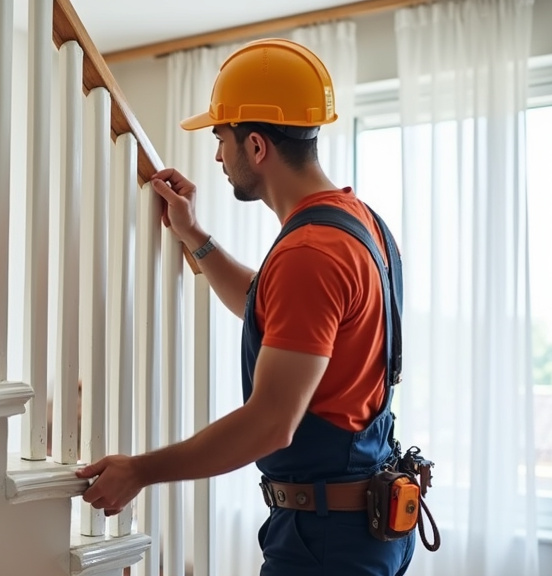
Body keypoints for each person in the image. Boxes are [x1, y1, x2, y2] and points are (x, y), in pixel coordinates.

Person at [75, 38, 415, 575]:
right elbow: (276, 308)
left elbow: (271, 424)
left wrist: (140, 470)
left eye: (220, 137)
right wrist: (196, 238)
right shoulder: (359, 223)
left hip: (327, 542)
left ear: (256, 146)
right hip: (358, 526)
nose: (216, 156)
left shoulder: (309, 252)